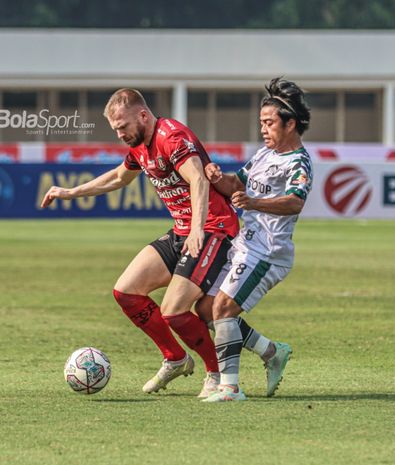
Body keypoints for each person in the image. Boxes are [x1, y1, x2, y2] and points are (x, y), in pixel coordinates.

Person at [42, 88, 247, 396]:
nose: (121, 134)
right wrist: (69, 192)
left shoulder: (171, 136)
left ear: (142, 115)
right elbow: (117, 178)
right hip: (183, 230)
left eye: (123, 126)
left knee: (175, 311)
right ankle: (175, 357)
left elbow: (199, 179)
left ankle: (215, 374)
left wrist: (196, 230)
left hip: (213, 229)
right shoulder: (139, 144)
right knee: (126, 292)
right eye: (116, 130)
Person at [200, 77, 313, 402]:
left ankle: (230, 388)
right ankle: (271, 352)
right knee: (207, 308)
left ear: (290, 123)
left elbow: (295, 201)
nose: (263, 129)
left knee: (222, 308)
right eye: (261, 123)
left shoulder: (299, 162)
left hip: (267, 253)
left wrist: (253, 202)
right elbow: (238, 183)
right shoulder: (264, 154)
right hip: (244, 245)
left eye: (269, 123)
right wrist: (219, 178)